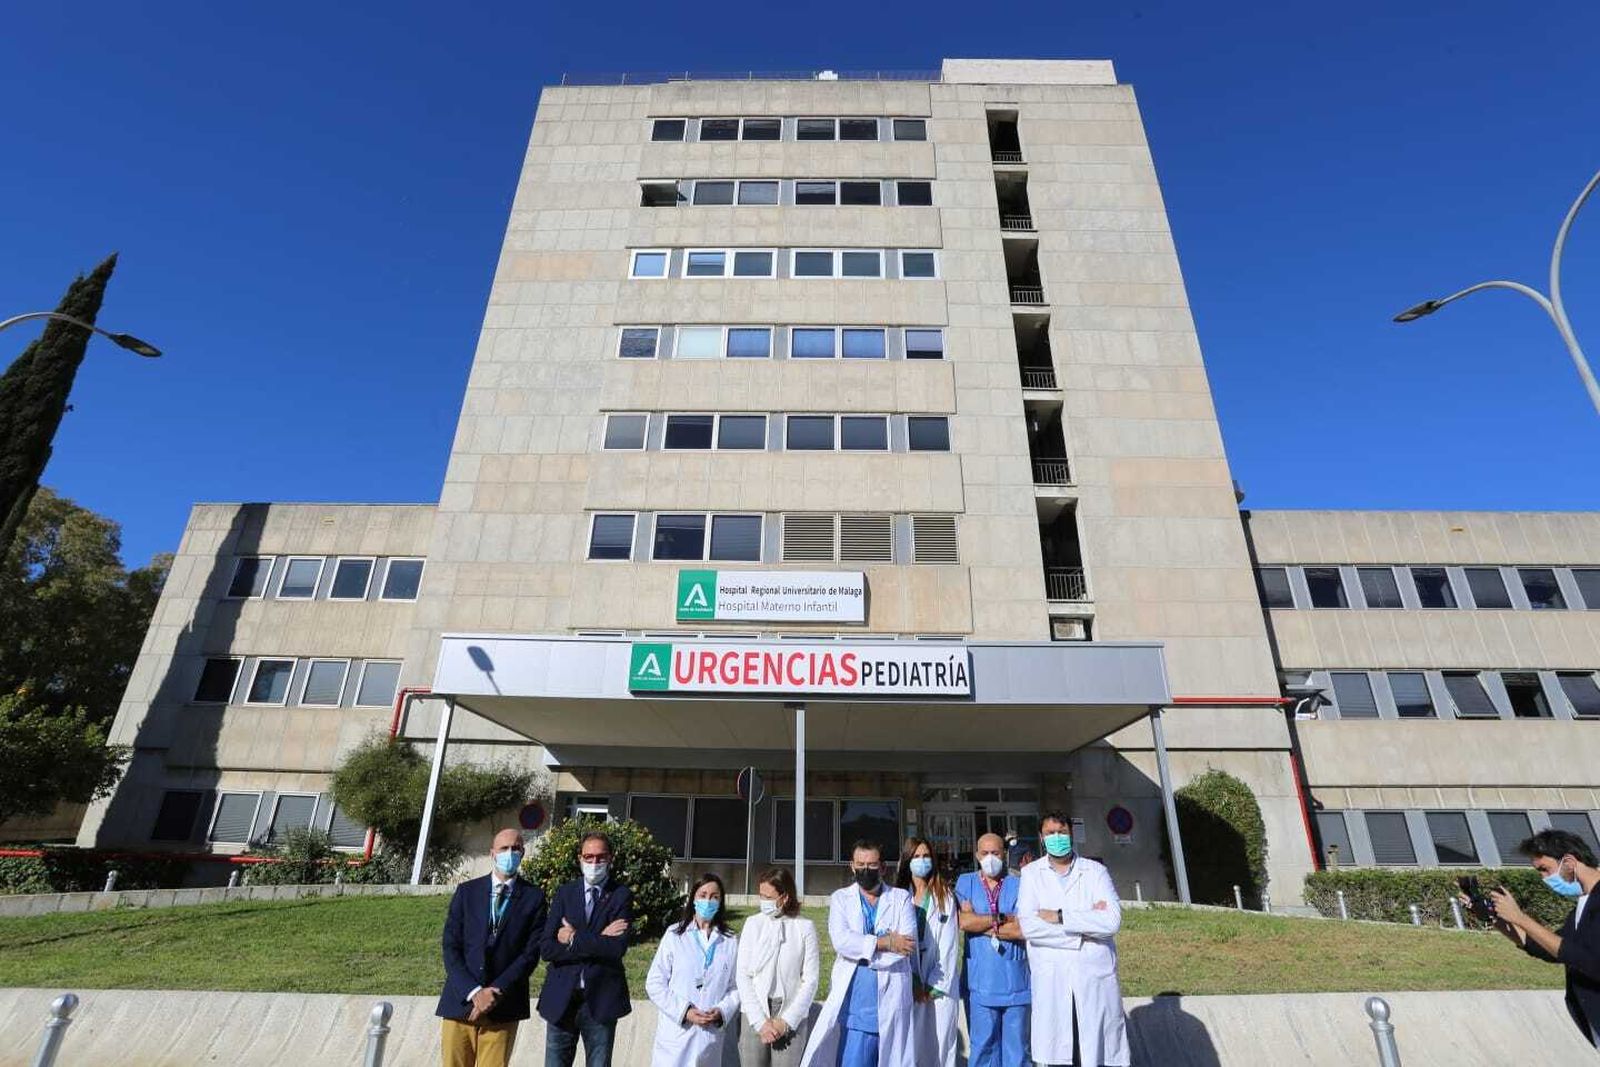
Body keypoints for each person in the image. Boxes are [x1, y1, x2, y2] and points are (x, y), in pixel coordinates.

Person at [1466, 828, 1600, 1046]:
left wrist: (1520, 918)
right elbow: (1551, 950)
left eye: (1545, 870)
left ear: (1570, 861)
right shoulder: (1583, 906)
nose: (1544, 879)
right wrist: (1496, 919)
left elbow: (1590, 960)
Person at [1017, 812, 1128, 1067]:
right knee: (1059, 1055)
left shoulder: (1095, 871)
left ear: (1071, 833)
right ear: (1041, 838)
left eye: (1061, 832)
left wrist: (1059, 915)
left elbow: (1111, 921)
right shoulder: (1032, 874)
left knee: (1096, 1053)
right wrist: (1084, 930)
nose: (1057, 838)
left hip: (1093, 978)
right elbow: (1029, 926)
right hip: (1053, 979)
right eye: (1050, 833)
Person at [799, 840, 917, 1067]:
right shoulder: (841, 898)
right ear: (852, 866)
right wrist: (886, 941)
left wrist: (864, 948)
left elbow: (907, 945)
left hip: (892, 997)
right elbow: (841, 941)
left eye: (872, 865)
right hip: (856, 1002)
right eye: (861, 864)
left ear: (883, 868)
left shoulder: (900, 898)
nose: (866, 870)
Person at [437, 829, 549, 1067]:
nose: (510, 853)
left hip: (503, 1007)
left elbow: (529, 955)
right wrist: (475, 993)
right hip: (461, 1001)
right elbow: (451, 946)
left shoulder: (534, 897)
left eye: (516, 848)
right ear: (492, 853)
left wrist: (494, 992)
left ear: (523, 852)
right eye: (504, 848)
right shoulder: (467, 892)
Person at [539, 829, 633, 1066]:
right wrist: (598, 938)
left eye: (600, 857)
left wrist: (573, 938)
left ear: (610, 858)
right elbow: (547, 949)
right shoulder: (564, 893)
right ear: (580, 858)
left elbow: (616, 948)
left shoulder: (621, 895)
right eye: (588, 857)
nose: (594, 862)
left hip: (600, 1001)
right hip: (562, 999)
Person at [645, 873, 740, 1066]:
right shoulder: (674, 935)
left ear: (721, 902)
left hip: (709, 1038)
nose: (708, 901)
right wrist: (684, 1011)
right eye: (703, 895)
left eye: (714, 897)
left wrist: (721, 1011)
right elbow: (654, 983)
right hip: (677, 1036)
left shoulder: (730, 940)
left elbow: (736, 987)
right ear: (693, 899)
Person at [955, 832, 1030, 1067]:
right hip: (980, 981)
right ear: (977, 855)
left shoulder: (1020, 884)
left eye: (995, 853)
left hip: (1016, 982)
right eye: (985, 853)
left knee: (1017, 1050)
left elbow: (1022, 930)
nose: (990, 858)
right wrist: (1001, 919)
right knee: (983, 1046)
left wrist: (980, 922)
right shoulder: (965, 882)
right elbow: (963, 922)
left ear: (1005, 854)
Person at [736, 866, 820, 1067]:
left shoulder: (804, 927)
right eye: (761, 896)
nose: (763, 902)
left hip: (791, 1013)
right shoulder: (752, 924)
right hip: (754, 1012)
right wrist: (760, 1022)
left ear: (784, 897)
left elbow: (811, 980)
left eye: (769, 897)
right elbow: (743, 975)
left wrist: (786, 1022)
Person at [896, 837, 960, 1067]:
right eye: (916, 857)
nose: (922, 861)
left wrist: (933, 985)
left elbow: (949, 947)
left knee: (940, 1048)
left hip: (939, 986)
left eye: (926, 856)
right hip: (908, 983)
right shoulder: (897, 896)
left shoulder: (945, 897)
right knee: (909, 1049)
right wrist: (913, 981)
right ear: (907, 861)